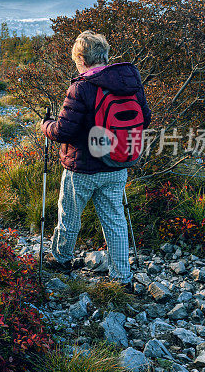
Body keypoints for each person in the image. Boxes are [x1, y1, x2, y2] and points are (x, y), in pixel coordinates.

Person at [39, 30, 151, 285]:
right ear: (105, 55)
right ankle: (122, 276)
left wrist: (46, 125)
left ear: (80, 58)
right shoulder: (129, 82)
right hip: (117, 164)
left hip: (83, 168)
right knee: (114, 221)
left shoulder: (81, 87)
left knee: (69, 215)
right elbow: (145, 119)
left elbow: (63, 131)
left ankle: (61, 258)